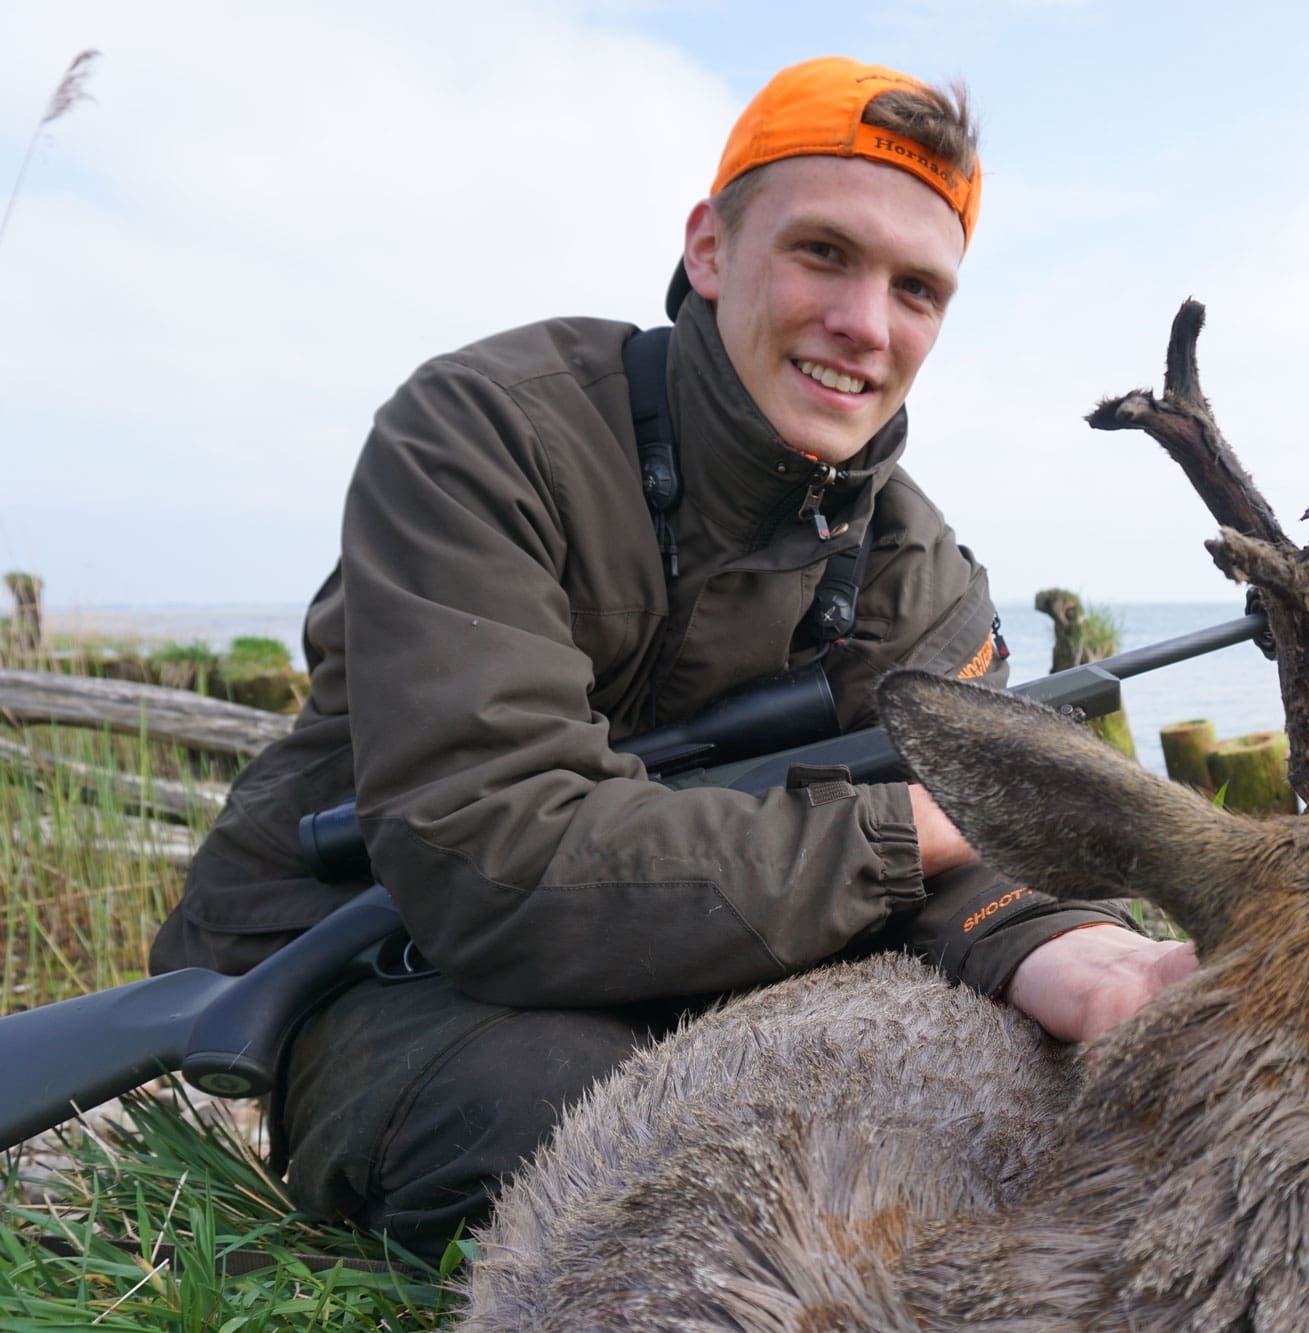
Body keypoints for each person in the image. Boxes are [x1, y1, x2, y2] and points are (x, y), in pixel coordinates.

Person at [149, 55, 1196, 1260]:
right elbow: (491, 852)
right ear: (709, 248)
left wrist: (1065, 946)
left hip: (676, 955)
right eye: (823, 254)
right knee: (569, 1120)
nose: (865, 324)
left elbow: (959, 860)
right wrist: (903, 831)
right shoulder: (482, 435)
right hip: (353, 954)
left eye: (917, 288)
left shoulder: (916, 567)